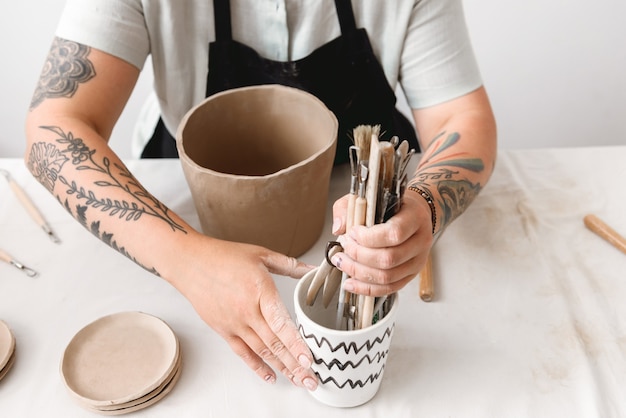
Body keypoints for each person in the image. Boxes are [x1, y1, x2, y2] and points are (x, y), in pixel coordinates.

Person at [25, 0, 497, 392]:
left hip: (357, 203)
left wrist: (426, 205)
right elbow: (52, 128)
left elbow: (462, 121)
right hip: (179, 223)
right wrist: (188, 259)